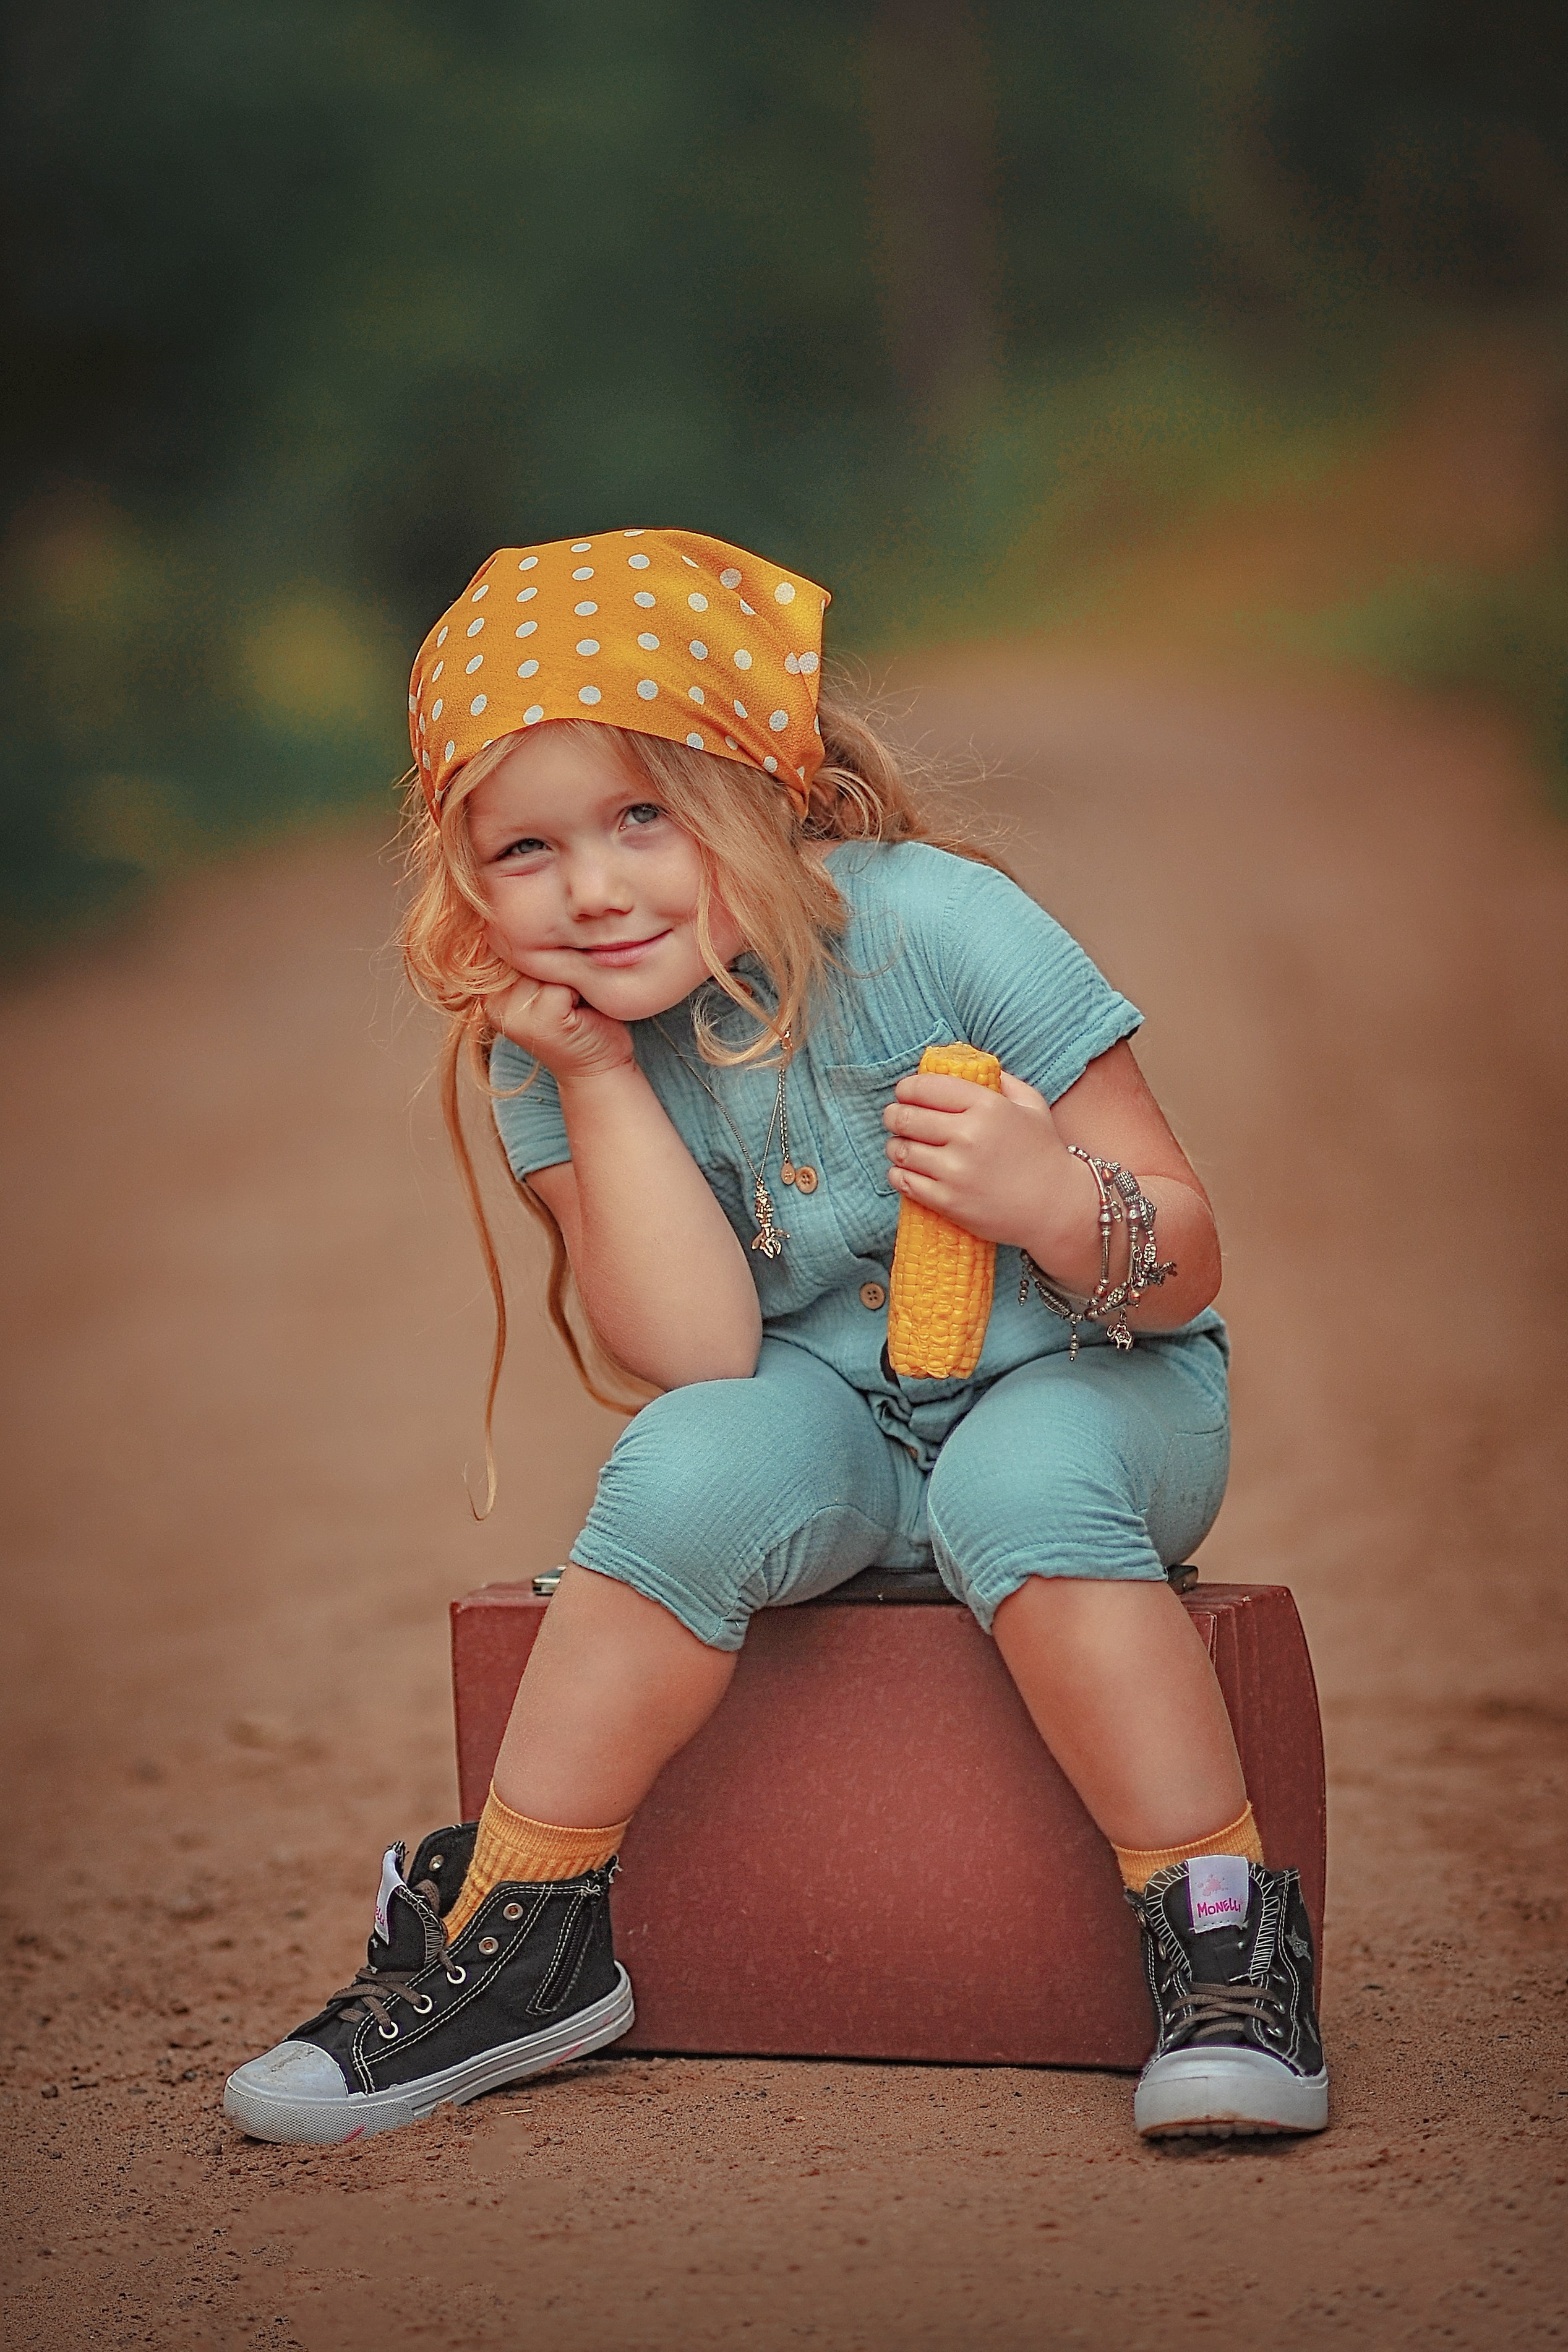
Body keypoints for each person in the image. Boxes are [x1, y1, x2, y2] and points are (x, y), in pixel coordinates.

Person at [223, 528, 1327, 2147]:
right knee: (681, 1463)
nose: (591, 888)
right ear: (459, 873)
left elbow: (1178, 1261)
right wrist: (599, 1080)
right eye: (522, 850)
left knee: (1021, 1487)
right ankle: (525, 1934)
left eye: (641, 818)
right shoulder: (558, 1039)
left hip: (1100, 1380)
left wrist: (1049, 1194)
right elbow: (701, 1345)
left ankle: (1225, 1937)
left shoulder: (947, 929)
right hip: (821, 1409)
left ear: (764, 789)